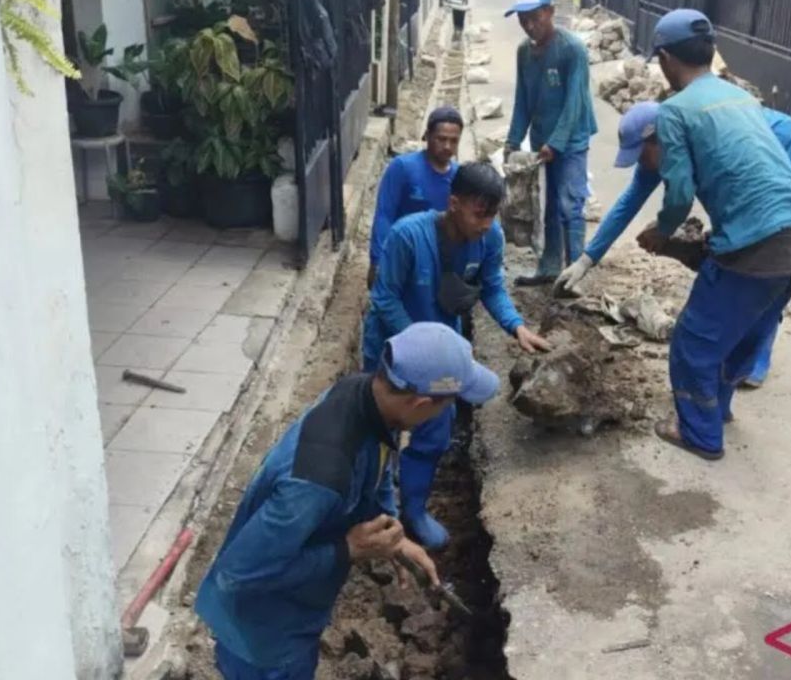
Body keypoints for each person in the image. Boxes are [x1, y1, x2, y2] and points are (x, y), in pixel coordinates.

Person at [196, 322, 498, 679]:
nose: (442, 416)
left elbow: (379, 464)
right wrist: (347, 551)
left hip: (293, 610)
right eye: (446, 406)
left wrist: (394, 536)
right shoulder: (316, 481)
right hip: (261, 634)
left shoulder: (367, 396)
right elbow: (237, 574)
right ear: (420, 403)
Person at [636, 9, 791, 461]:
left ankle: (698, 433)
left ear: (664, 58)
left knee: (694, 340)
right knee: (741, 335)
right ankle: (717, 410)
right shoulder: (737, 96)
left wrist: (663, 232)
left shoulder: (676, 110)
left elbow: (678, 192)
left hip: (756, 243)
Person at [555, 100, 791, 387]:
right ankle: (737, 345)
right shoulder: (663, 148)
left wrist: (679, 232)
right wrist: (586, 259)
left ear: (659, 138)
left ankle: (754, 357)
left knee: (770, 256)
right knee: (742, 253)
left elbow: (726, 197)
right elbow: (629, 201)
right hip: (766, 157)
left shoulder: (705, 142)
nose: (641, 163)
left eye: (641, 154)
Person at [363, 162, 550, 548]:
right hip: (392, 353)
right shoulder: (407, 236)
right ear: (453, 203)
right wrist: (420, 341)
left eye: (493, 214)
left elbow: (492, 287)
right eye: (479, 213)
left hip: (443, 357)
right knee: (379, 435)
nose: (486, 223)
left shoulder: (489, 239)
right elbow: (384, 297)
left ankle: (413, 510)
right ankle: (378, 514)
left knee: (435, 428)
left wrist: (516, 326)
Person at [504, 0, 598, 286]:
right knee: (549, 206)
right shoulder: (523, 52)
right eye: (523, 19)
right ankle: (549, 267)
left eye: (535, 17)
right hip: (542, 141)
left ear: (550, 12)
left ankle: (575, 274)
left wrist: (557, 143)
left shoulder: (572, 49)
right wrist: (513, 139)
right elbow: (523, 100)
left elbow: (575, 104)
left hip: (571, 141)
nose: (529, 25)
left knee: (571, 203)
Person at [368, 106, 464, 289]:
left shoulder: (459, 177)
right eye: (441, 139)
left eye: (454, 141)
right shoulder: (403, 168)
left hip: (437, 263)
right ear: (427, 136)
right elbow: (384, 214)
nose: (447, 146)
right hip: (402, 255)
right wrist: (377, 261)